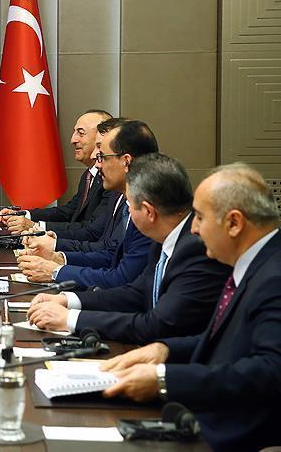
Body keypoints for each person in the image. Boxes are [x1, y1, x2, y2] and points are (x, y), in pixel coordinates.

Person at [101, 163, 281, 450]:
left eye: (199, 217)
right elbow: (229, 342)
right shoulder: (254, 264)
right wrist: (165, 350)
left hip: (233, 436)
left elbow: (270, 372)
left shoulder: (274, 276)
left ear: (234, 223)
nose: (193, 229)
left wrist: (164, 379)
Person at [26, 153, 230, 343]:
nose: (128, 211)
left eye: (130, 204)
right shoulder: (163, 238)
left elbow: (158, 324)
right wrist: (68, 300)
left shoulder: (196, 249)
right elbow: (136, 294)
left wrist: (70, 319)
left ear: (149, 212)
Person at [17, 120, 156, 289]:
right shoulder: (124, 198)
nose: (96, 162)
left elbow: (122, 278)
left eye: (102, 156)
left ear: (126, 161)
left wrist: (56, 271)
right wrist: (57, 257)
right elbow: (110, 254)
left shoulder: (147, 211)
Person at [0, 109, 115, 234]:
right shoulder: (88, 175)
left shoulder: (111, 180)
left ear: (102, 137)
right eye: (74, 132)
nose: (72, 140)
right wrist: (24, 215)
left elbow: (93, 230)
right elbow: (69, 212)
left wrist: (35, 226)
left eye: (81, 133)